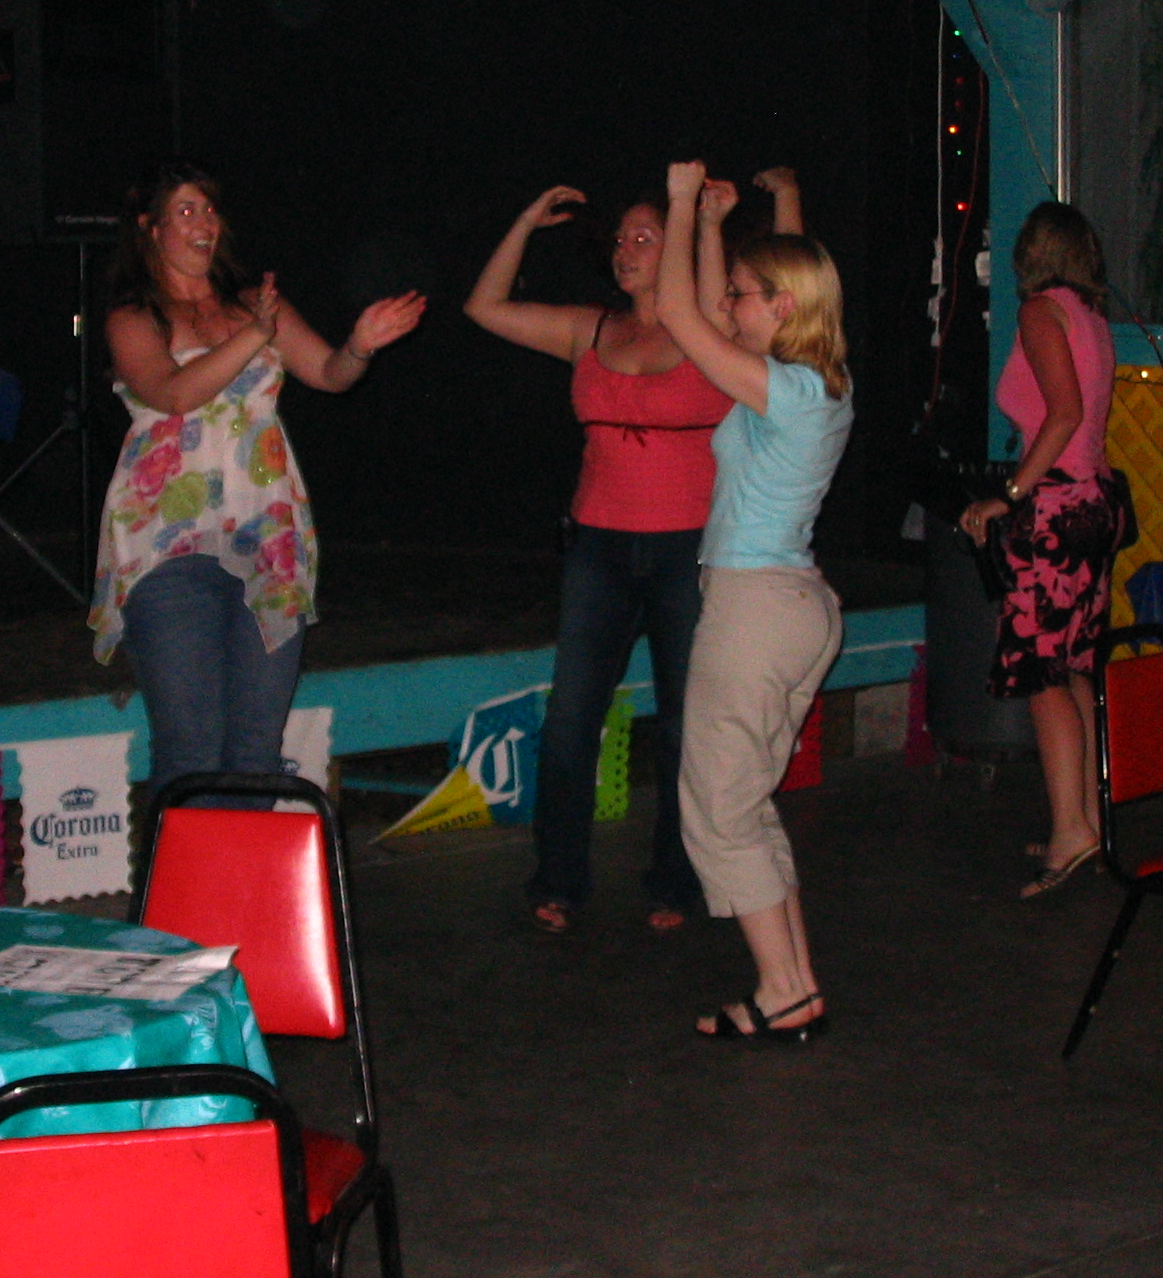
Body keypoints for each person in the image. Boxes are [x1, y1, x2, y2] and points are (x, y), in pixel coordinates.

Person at [464, 171, 803, 936]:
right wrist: (524, 220)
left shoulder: (711, 331)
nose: (626, 250)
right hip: (599, 547)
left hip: (689, 550)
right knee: (571, 719)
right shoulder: (590, 330)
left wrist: (770, 204)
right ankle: (557, 879)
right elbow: (483, 307)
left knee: (686, 725)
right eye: (620, 239)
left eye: (644, 237)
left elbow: (792, 287)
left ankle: (676, 882)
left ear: (674, 246)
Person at [88, 162, 425, 797]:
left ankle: (243, 865)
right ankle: (184, 866)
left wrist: (359, 345)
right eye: (187, 211)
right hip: (169, 547)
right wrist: (254, 337)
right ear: (152, 230)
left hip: (266, 537)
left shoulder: (253, 304)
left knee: (256, 752)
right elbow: (174, 394)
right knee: (189, 751)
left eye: (210, 210)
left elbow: (329, 373)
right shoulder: (134, 317)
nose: (205, 223)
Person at [653, 160, 851, 1041]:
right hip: (787, 605)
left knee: (719, 808)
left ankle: (781, 991)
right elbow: (708, 309)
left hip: (756, 610)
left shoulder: (791, 391)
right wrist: (712, 227)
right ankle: (795, 983)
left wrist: (679, 202)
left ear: (784, 305)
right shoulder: (813, 383)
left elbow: (678, 315)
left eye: (745, 295)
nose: (730, 305)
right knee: (745, 802)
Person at [957, 202, 1121, 900]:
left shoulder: (1040, 313)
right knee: (1075, 666)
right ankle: (1085, 821)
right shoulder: (1091, 318)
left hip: (1057, 507)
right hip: (1092, 501)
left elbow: (1064, 415)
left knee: (1042, 671)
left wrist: (1010, 494)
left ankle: (1072, 830)